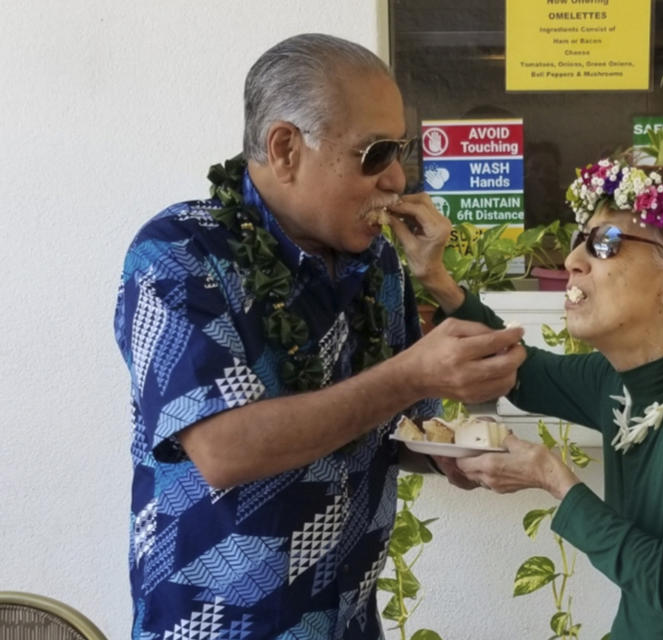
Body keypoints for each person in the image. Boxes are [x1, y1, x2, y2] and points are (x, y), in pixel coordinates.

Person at [113, 34, 524, 639]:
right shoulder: (181, 253)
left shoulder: (379, 266)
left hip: (348, 620)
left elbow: (399, 426)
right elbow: (225, 450)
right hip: (220, 626)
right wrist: (412, 373)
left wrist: (452, 456)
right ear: (285, 148)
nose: (396, 177)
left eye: (400, 151)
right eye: (375, 152)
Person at [392, 157, 663, 639]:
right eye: (578, 241)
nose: (571, 261)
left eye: (605, 243)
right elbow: (514, 368)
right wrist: (435, 277)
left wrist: (552, 478)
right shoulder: (617, 380)